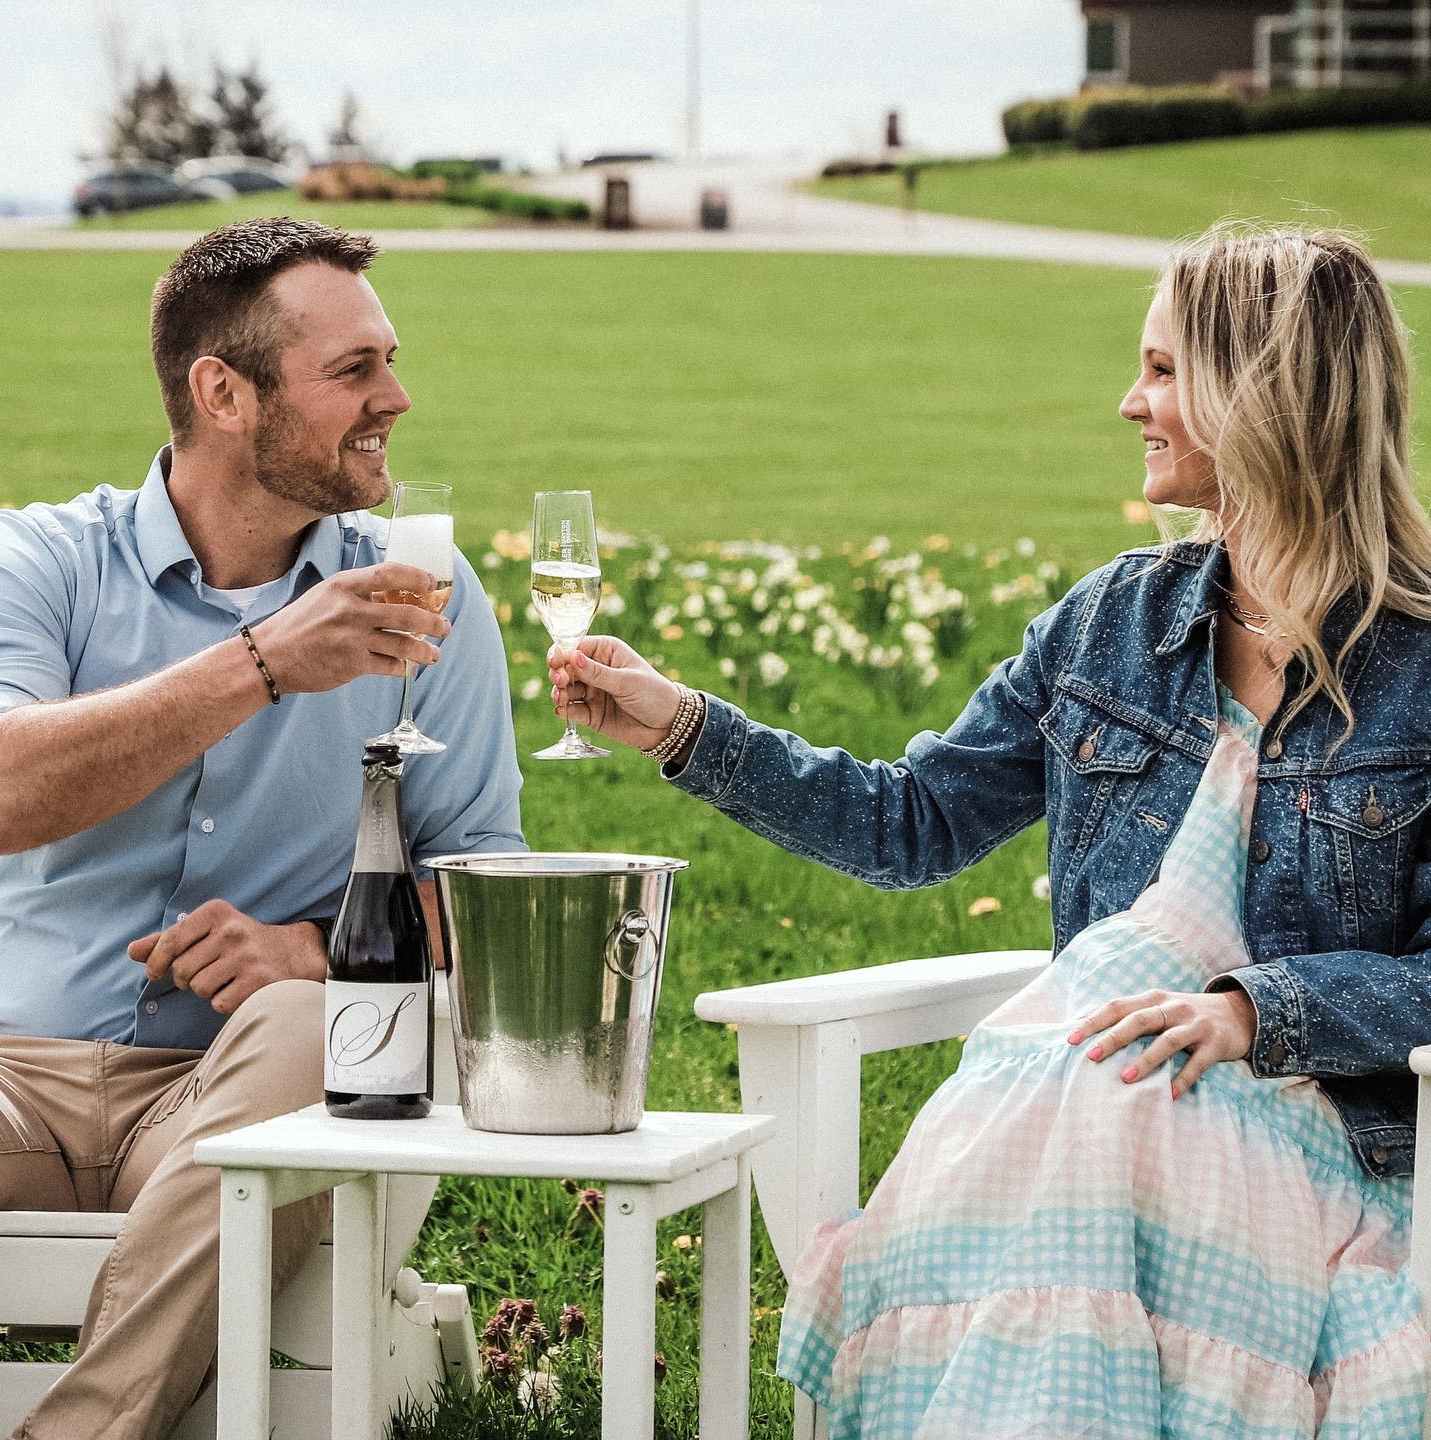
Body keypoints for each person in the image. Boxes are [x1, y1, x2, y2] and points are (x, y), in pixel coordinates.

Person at [549, 223, 1431, 1435]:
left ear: (1267, 391)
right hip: (1087, 1124)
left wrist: (1252, 1011)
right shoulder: (1108, 628)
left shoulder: (1421, 672)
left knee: (1103, 1126)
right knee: (1095, 1124)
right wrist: (683, 726)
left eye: (1166, 371)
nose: (1132, 401)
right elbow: (910, 823)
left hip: (1314, 1139)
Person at [0, 217, 523, 1440]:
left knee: (309, 1018)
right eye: (354, 371)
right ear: (222, 392)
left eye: (387, 359)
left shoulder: (425, 600)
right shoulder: (38, 563)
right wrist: (263, 663)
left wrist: (316, 950)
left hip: (237, 1089)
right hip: (14, 1076)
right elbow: (2, 790)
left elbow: (485, 887)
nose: (397, 395)